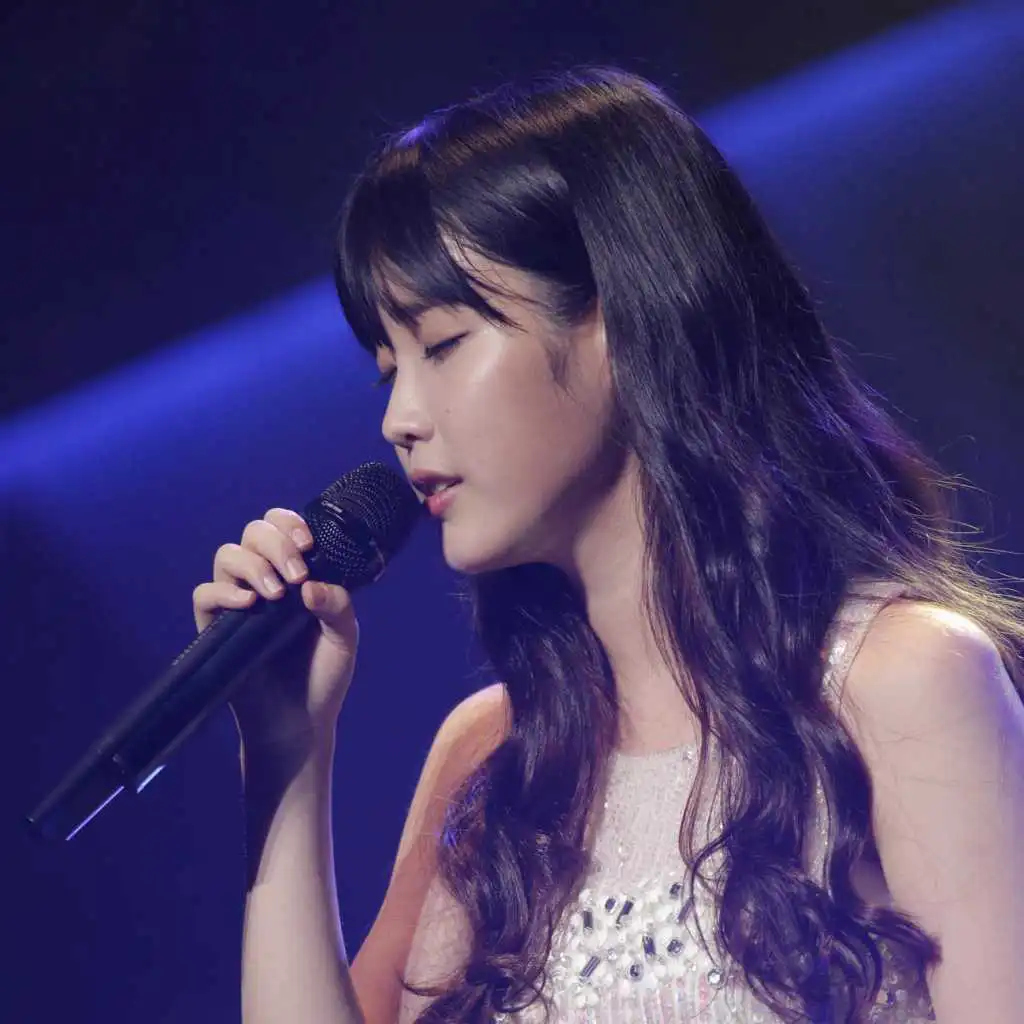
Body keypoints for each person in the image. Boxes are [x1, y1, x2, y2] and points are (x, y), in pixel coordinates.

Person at [191, 67, 1024, 1023]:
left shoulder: (903, 683)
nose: (400, 419)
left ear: (621, 319)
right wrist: (288, 758)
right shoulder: (493, 763)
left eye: (444, 346)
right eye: (389, 371)